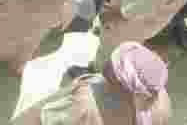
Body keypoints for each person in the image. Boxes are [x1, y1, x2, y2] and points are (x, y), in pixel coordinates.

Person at [13, 41, 172, 125]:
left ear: (124, 85)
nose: (109, 60)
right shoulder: (161, 101)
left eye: (115, 64)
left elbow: (45, 120)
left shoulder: (85, 101)